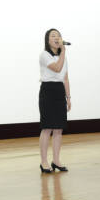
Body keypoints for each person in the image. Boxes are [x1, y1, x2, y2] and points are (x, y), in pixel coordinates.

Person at [39, 28, 71, 173]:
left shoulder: (63, 57)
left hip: (59, 91)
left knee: (58, 129)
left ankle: (56, 160)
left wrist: (68, 97)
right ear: (48, 40)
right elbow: (57, 69)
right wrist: (63, 52)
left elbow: (65, 77)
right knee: (47, 128)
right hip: (48, 91)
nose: (57, 38)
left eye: (58, 35)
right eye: (53, 36)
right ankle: (44, 162)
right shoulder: (44, 55)